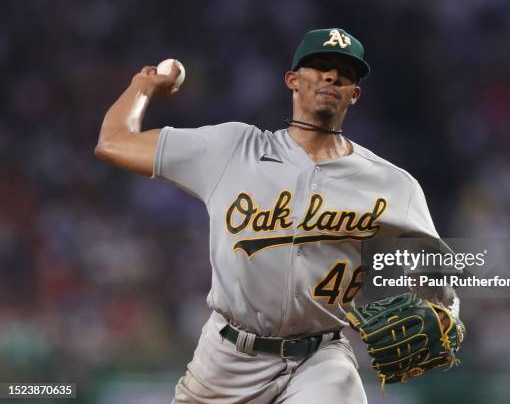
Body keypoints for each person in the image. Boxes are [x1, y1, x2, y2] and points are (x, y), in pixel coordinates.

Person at [96, 28, 460, 404]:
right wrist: (143, 86)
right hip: (227, 355)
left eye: (344, 72)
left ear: (354, 93)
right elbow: (114, 142)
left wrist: (445, 309)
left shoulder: (390, 184)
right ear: (293, 80)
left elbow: (436, 272)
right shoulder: (233, 149)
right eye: (319, 66)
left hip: (321, 359)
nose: (331, 76)